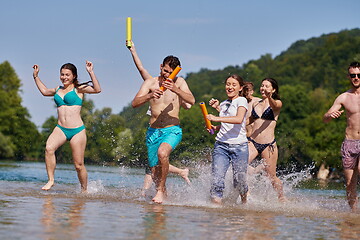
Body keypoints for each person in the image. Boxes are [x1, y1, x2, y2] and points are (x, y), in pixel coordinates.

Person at [126, 41, 191, 195]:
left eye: (170, 73)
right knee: (154, 172)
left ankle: (160, 191)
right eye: (165, 71)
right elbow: (134, 103)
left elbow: (192, 101)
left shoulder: (179, 82)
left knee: (163, 153)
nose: (166, 75)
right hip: (153, 131)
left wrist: (176, 89)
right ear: (161, 66)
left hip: (172, 129)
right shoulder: (151, 82)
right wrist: (150, 95)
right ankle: (162, 201)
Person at [32, 61, 101, 192]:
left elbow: (97, 89)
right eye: (62, 74)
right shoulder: (58, 90)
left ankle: (84, 190)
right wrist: (35, 76)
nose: (64, 77)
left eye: (67, 75)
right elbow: (45, 91)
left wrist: (90, 72)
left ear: (74, 76)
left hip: (77, 131)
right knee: (49, 148)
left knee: (78, 165)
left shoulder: (79, 89)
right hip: (61, 128)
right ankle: (51, 180)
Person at [323, 61, 360, 212]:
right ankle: (353, 213)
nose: (356, 77)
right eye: (353, 75)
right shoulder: (344, 97)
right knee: (350, 182)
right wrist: (330, 115)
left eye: (359, 75)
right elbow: (325, 118)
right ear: (349, 77)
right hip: (349, 143)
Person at [206, 74, 249, 204]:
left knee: (240, 181)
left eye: (233, 85)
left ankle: (244, 202)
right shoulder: (224, 103)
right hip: (221, 145)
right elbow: (226, 123)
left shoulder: (242, 101)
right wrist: (215, 127)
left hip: (240, 146)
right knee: (217, 179)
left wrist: (216, 117)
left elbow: (238, 119)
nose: (230, 87)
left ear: (240, 88)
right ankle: (216, 209)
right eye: (228, 84)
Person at [247, 78, 286, 202]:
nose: (263, 88)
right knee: (239, 165)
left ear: (273, 89)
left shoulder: (277, 103)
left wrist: (270, 97)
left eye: (267, 86)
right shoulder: (256, 103)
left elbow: (275, 105)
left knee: (272, 176)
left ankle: (281, 197)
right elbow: (249, 121)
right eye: (262, 85)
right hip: (252, 142)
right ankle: (247, 194)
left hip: (268, 145)